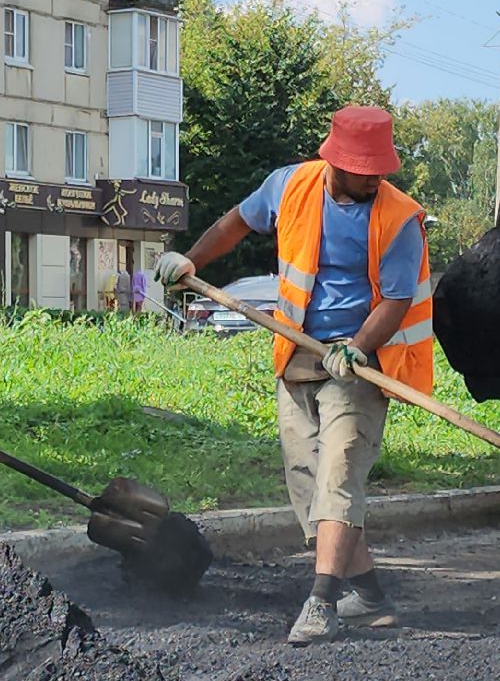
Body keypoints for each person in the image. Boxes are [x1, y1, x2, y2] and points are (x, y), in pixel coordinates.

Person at [156, 106, 432, 646]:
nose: (376, 178)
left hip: (360, 365)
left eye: (381, 169)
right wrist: (190, 263)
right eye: (365, 169)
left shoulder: (399, 218)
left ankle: (321, 601)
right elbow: (235, 222)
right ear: (337, 161)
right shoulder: (290, 186)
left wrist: (356, 348)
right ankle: (371, 596)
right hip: (297, 356)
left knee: (339, 476)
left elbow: (397, 300)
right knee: (308, 485)